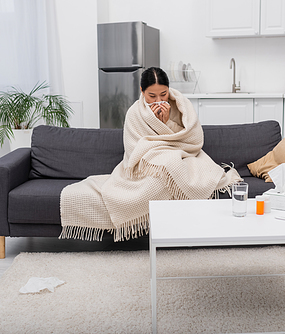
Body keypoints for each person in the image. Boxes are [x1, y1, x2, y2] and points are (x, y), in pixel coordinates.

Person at [59, 67, 241, 242]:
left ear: (169, 90)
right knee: (160, 176)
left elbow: (193, 139)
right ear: (142, 91)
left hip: (182, 154)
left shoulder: (181, 105)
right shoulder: (134, 113)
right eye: (151, 96)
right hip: (148, 161)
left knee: (175, 166)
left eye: (163, 94)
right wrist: (158, 128)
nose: (158, 100)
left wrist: (167, 122)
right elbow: (134, 148)